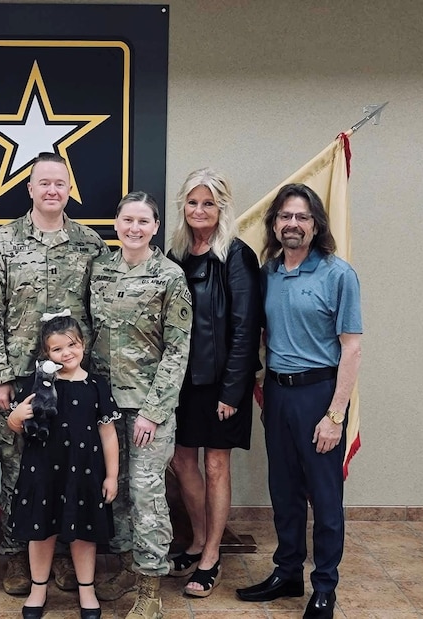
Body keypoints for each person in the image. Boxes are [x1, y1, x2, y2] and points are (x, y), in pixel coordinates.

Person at [0, 152, 108, 595]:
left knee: (72, 471)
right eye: (44, 183)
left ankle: (70, 559)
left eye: (60, 182)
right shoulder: (4, 242)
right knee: (19, 471)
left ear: (69, 188)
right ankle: (18, 555)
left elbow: (100, 313)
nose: (52, 190)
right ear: (29, 188)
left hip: (74, 382)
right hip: (20, 379)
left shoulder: (90, 244)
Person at [235, 184, 362, 619]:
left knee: (325, 499)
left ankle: (324, 586)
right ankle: (287, 573)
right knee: (284, 492)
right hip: (278, 394)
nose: (292, 224)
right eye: (285, 216)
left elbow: (352, 348)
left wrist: (335, 415)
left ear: (316, 225)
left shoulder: (338, 274)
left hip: (319, 396)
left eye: (302, 217)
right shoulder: (267, 274)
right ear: (274, 224)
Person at [89, 192, 192, 619]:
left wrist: (153, 410)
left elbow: (178, 347)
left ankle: (151, 587)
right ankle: (130, 567)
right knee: (119, 494)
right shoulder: (100, 271)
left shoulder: (170, 276)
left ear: (154, 227)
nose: (134, 228)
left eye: (143, 221)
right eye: (127, 220)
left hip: (149, 407)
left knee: (147, 496)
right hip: (106, 407)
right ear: (116, 224)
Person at [165, 169, 261, 597]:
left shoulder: (237, 256)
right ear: (182, 207)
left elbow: (246, 328)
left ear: (222, 208)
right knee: (182, 463)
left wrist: (232, 390)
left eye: (208, 203)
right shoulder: (175, 256)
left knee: (216, 465)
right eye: (192, 202)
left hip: (222, 385)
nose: (199, 210)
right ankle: (200, 539)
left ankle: (211, 557)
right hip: (180, 383)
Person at [6, 314, 120, 618]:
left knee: (84, 533)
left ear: (82, 344)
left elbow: (107, 434)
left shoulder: (97, 385)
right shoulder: (40, 383)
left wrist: (112, 475)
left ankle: (87, 591)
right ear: (47, 354)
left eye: (71, 345)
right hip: (43, 471)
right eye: (57, 349)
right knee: (41, 532)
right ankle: (38, 589)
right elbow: (17, 422)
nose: (66, 353)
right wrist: (15, 418)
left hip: (83, 472)